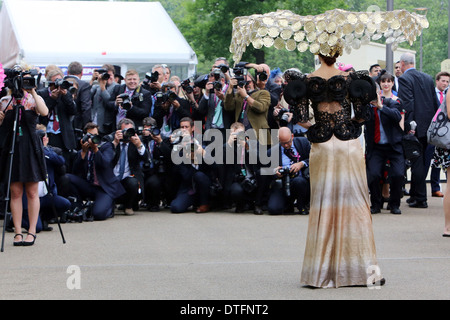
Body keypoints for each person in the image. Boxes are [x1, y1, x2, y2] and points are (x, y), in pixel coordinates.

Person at [288, 46, 384, 287]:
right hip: (347, 144)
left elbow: (300, 117)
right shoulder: (352, 79)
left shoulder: (306, 80)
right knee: (356, 205)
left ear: (318, 55)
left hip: (321, 146)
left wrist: (316, 128)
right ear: (338, 54)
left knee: (323, 203)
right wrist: (346, 123)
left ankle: (320, 274)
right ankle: (363, 272)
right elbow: (362, 115)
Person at [0, 67, 49, 246]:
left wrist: (33, 90)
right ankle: (18, 232)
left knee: (32, 191)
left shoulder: (34, 99)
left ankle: (32, 231)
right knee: (15, 192)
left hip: (30, 148)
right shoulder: (6, 101)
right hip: (12, 146)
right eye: (23, 80)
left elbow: (44, 113)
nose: (25, 83)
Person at [397, 52, 439, 209]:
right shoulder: (428, 77)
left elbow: (407, 104)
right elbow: (435, 102)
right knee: (423, 162)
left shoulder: (404, 79)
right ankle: (415, 195)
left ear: (402, 64)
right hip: (428, 126)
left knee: (416, 162)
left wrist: (409, 127)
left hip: (415, 127)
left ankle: (420, 198)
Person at [67, 122, 125, 221]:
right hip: (89, 185)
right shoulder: (82, 148)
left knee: (98, 215)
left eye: (95, 135)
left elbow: (105, 163)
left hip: (104, 187)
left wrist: (95, 150)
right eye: (90, 135)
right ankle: (78, 205)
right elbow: (75, 170)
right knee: (67, 178)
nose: (93, 138)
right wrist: (83, 152)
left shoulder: (107, 146)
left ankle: (108, 206)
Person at [366, 73, 404, 215]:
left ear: (393, 84)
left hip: (394, 146)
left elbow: (396, 116)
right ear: (379, 85)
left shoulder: (395, 101)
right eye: (383, 82)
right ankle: (376, 204)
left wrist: (381, 106)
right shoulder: (370, 103)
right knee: (374, 175)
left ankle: (394, 204)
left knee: (398, 175)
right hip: (376, 147)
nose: (386, 84)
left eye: (389, 81)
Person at [37, 67, 77, 168]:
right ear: (50, 82)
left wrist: (66, 95)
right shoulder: (41, 93)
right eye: (55, 82)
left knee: (64, 167)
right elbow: (42, 114)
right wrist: (52, 99)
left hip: (63, 135)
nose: (58, 84)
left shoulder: (66, 93)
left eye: (60, 81)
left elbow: (73, 111)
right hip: (48, 134)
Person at [170, 117, 212, 213]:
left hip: (205, 183)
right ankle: (192, 200)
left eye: (186, 127)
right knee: (175, 207)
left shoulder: (202, 142)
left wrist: (203, 153)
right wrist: (192, 161)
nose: (184, 129)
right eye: (182, 127)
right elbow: (185, 176)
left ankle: (204, 203)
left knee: (199, 175)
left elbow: (214, 166)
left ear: (192, 128)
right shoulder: (177, 147)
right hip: (188, 186)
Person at [267, 127, 311, 215]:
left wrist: (301, 163)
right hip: (282, 183)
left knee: (299, 182)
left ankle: (302, 205)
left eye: (288, 142)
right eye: (283, 143)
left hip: (300, 180)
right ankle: (288, 204)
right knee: (274, 209)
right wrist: (275, 172)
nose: (286, 145)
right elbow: (265, 171)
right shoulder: (271, 152)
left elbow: (314, 159)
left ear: (292, 136)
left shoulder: (303, 142)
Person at [224, 68, 271, 146]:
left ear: (253, 82)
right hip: (241, 134)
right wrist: (230, 87)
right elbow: (228, 107)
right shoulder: (239, 95)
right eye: (244, 82)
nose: (246, 85)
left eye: (248, 82)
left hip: (258, 134)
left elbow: (261, 107)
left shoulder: (263, 93)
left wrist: (245, 96)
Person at [110, 118, 147, 215]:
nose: (127, 134)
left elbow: (147, 159)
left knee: (133, 182)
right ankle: (111, 203)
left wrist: (139, 145)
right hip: (112, 178)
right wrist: (115, 143)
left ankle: (129, 206)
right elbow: (105, 158)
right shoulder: (111, 139)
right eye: (124, 131)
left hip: (127, 179)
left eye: (129, 131)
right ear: (118, 131)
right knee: (107, 210)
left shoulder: (136, 141)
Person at [429, 71, 450, 198]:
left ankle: (437, 188)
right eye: (443, 80)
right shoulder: (431, 94)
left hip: (446, 134)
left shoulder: (446, 93)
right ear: (437, 81)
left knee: (440, 163)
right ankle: (434, 187)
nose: (445, 83)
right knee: (434, 162)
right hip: (437, 132)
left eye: (447, 81)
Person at [89, 64, 118, 136]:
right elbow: (86, 96)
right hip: (94, 124)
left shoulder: (117, 87)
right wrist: (92, 80)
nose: (107, 77)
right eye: (105, 75)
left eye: (110, 75)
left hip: (107, 126)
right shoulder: (96, 87)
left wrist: (103, 88)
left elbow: (109, 102)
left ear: (114, 76)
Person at [67, 61, 92, 131]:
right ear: (82, 73)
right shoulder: (84, 85)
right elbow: (86, 107)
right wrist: (87, 127)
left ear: (68, 72)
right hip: (77, 125)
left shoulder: (62, 83)